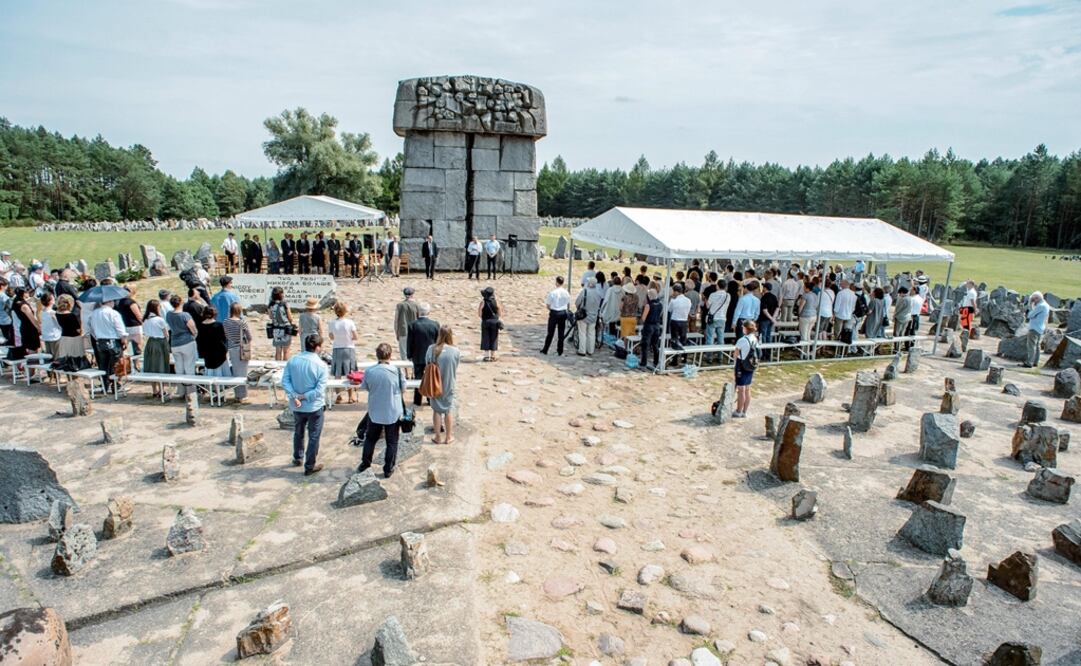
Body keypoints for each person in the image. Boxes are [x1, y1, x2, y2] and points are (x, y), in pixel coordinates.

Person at [358, 342, 407, 479]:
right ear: (390, 355)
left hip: (375, 410)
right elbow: (403, 389)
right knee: (392, 442)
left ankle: (365, 463)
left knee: (370, 439)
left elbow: (365, 387)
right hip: (393, 411)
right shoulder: (397, 371)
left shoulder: (369, 371)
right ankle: (388, 468)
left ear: (377, 355)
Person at [282, 333, 329, 476]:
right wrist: (304, 396)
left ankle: (297, 457)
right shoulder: (321, 365)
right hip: (314, 406)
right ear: (317, 347)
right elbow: (319, 390)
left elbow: (285, 381)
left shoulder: (293, 360)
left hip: (297, 405)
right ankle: (309, 465)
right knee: (314, 436)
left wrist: (294, 395)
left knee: (298, 432)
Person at [426, 325, 461, 445]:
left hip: (434, 384)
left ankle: (437, 437)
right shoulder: (455, 351)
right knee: (448, 410)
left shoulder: (431, 349)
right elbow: (456, 366)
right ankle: (448, 436)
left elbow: (427, 363)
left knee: (436, 410)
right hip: (448, 383)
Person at [88, 297, 126, 391]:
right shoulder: (113, 313)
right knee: (116, 364)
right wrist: (124, 340)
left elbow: (90, 328)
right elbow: (120, 329)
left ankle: (105, 385)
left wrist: (97, 337)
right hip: (113, 340)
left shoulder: (94, 313)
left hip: (100, 341)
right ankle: (116, 385)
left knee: (103, 365)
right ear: (109, 301)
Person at [406, 303, 440, 406]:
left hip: (418, 355)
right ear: (429, 312)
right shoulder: (435, 324)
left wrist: (409, 354)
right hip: (432, 356)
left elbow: (410, 342)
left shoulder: (412, 324)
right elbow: (438, 341)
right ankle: (430, 398)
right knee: (431, 377)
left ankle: (417, 400)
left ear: (418, 312)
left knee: (418, 377)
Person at [327, 301, 358, 404]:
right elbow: (355, 336)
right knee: (350, 372)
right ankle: (350, 396)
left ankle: (338, 396)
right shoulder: (349, 322)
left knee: (337, 373)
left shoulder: (332, 323)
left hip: (337, 348)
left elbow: (331, 337)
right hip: (348, 348)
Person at [223, 302, 252, 404]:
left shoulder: (226, 321)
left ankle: (237, 394)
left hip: (231, 347)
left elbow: (226, 334)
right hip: (241, 348)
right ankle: (242, 395)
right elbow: (249, 336)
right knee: (243, 372)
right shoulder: (241, 322)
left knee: (235, 371)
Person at [141, 299, 170, 390]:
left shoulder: (145, 320)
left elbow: (145, 333)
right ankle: (161, 389)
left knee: (152, 366)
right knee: (161, 365)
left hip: (150, 342)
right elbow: (166, 334)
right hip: (160, 342)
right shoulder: (159, 320)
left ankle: (154, 389)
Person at [733, 320, 759, 418]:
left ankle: (738, 411)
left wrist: (734, 363)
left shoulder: (742, 340)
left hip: (741, 365)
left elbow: (736, 354)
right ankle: (744, 411)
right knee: (747, 388)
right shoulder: (755, 339)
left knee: (741, 389)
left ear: (746, 328)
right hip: (751, 365)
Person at [54, 294, 87, 370]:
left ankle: (69, 377)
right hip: (74, 338)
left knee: (67, 359)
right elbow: (78, 330)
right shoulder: (71, 316)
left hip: (64, 337)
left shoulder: (57, 314)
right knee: (76, 360)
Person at [196, 307, 230, 378]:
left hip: (207, 353)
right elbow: (223, 340)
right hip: (219, 353)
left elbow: (199, 341)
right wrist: (226, 351)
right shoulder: (219, 325)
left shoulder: (200, 326)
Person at [540, 276, 570, 356]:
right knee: (561, 332)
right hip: (563, 312)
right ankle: (560, 350)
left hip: (554, 313)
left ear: (556, 282)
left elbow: (548, 304)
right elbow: (567, 302)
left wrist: (551, 310)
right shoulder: (566, 292)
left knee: (550, 332)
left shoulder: (553, 293)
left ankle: (545, 349)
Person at [575, 276, 603, 356]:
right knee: (591, 333)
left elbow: (577, 302)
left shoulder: (585, 291)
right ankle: (590, 350)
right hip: (594, 316)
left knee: (582, 333)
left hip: (584, 316)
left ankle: (582, 350)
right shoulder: (598, 293)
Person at [1024, 291, 1051, 368]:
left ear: (1037, 298)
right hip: (1041, 327)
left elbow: (1030, 315)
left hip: (1034, 328)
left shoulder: (1040, 306)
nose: (1033, 301)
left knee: (1031, 346)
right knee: (1037, 346)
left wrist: (1030, 305)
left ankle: (1029, 362)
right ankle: (1035, 362)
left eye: (1033, 299)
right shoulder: (1046, 305)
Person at [394, 287, 421, 360]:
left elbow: (396, 320)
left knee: (403, 353)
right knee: (414, 352)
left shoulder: (399, 305)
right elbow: (419, 318)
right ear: (412, 294)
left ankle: (406, 371)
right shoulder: (416, 305)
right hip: (414, 331)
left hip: (403, 330)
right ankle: (413, 370)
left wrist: (396, 332)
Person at [116, 286, 144, 355]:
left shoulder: (119, 302)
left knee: (125, 346)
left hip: (125, 325)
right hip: (135, 325)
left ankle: (126, 361)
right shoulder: (131, 302)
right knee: (138, 345)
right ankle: (137, 362)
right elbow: (138, 315)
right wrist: (143, 323)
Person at [639, 288, 663, 369]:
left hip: (649, 326)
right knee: (655, 344)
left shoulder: (648, 305)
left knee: (645, 345)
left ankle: (643, 362)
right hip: (657, 325)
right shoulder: (660, 304)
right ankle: (656, 361)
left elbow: (643, 318)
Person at [704, 276, 731, 346]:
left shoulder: (712, 295)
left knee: (710, 337)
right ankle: (720, 355)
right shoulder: (728, 296)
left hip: (713, 318)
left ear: (717, 286)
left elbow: (707, 306)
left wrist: (705, 299)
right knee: (721, 337)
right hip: (722, 318)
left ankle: (709, 356)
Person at [269, 286, 294, 361]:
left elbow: (270, 316)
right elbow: (290, 317)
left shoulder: (271, 304)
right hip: (286, 328)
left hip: (276, 329)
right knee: (286, 351)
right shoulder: (285, 304)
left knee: (278, 350)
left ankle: (277, 366)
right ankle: (284, 367)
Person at [479, 286, 502, 361]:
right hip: (494, 322)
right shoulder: (496, 301)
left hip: (485, 321)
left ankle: (486, 355)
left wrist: (484, 317)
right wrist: (496, 318)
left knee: (485, 337)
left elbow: (479, 313)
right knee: (494, 337)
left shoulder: (483, 302)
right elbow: (499, 311)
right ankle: (493, 355)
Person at [668, 283, 692, 352]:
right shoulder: (688, 300)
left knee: (675, 340)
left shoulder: (674, 301)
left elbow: (669, 310)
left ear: (675, 291)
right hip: (684, 321)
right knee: (683, 339)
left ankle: (675, 359)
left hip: (675, 320)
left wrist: (671, 299)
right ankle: (684, 357)